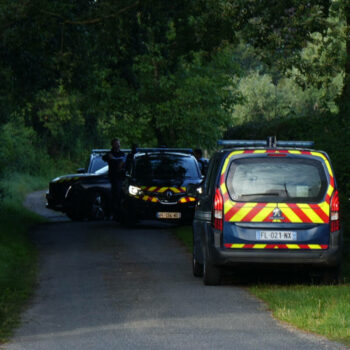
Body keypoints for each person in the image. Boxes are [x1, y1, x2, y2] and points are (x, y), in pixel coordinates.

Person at [102, 138, 125, 220]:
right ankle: (112, 214)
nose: (117, 145)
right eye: (116, 143)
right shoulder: (109, 154)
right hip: (113, 178)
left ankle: (119, 214)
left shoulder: (122, 153)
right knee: (114, 196)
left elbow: (125, 162)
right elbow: (104, 158)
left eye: (118, 143)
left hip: (121, 178)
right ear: (112, 145)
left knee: (119, 197)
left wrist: (121, 164)